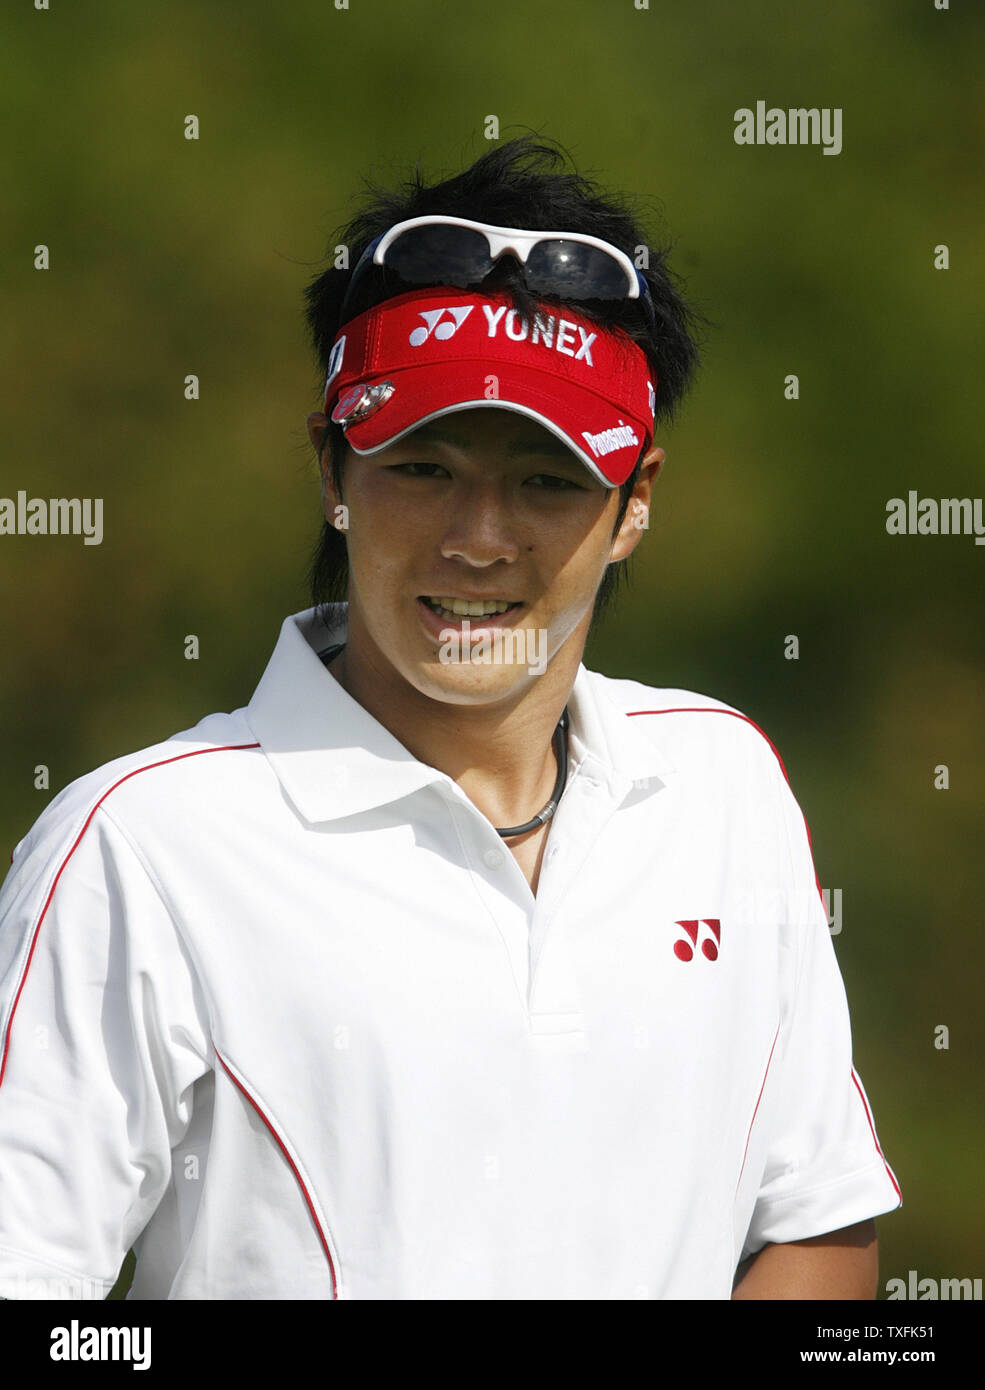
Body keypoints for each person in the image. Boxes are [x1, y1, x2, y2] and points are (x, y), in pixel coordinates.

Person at [0, 137, 900, 1301]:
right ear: (332, 467)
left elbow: (815, 1221)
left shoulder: (723, 779)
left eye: (548, 478)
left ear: (634, 505)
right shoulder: (134, 844)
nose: (478, 538)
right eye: (422, 467)